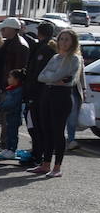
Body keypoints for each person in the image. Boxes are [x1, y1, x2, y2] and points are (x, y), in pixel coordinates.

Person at [30, 28, 84, 177]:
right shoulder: (55, 58)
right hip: (47, 95)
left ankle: (57, 167)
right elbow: (41, 76)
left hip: (62, 97)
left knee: (57, 132)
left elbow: (66, 78)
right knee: (46, 130)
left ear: (73, 42)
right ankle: (45, 164)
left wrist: (53, 77)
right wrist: (54, 79)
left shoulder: (74, 59)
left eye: (67, 39)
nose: (64, 42)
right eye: (61, 39)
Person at [23, 21, 57, 153]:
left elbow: (36, 73)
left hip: (37, 92)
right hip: (44, 92)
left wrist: (29, 91)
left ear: (39, 32)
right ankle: (38, 151)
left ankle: (38, 153)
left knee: (35, 124)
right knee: (39, 124)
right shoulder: (51, 46)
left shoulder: (44, 48)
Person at [0, 69, 26, 160]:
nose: (8, 79)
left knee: (12, 134)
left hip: (14, 115)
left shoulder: (18, 91)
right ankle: (7, 149)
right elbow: (6, 101)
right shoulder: (11, 89)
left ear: (16, 79)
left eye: (10, 77)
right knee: (8, 133)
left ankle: (12, 150)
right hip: (9, 115)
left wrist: (1, 107)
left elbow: (12, 103)